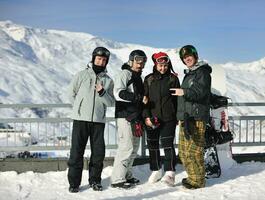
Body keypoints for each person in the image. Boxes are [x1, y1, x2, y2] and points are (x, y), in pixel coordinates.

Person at [67, 47, 115, 192]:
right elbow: (71, 94)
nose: (101, 62)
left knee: (98, 153)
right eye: (99, 59)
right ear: (93, 58)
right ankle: (74, 184)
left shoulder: (108, 80)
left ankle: (95, 180)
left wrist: (102, 92)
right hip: (80, 120)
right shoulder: (81, 75)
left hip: (98, 122)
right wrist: (80, 109)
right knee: (76, 152)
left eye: (104, 60)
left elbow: (111, 102)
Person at [170, 45, 212, 189]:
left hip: (197, 117)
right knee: (183, 151)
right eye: (184, 57)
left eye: (189, 56)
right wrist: (179, 116)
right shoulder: (190, 74)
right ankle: (193, 177)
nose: (187, 59)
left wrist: (183, 92)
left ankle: (198, 180)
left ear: (195, 56)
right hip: (186, 118)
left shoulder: (203, 73)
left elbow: (200, 92)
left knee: (193, 151)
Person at [143, 52, 180, 186]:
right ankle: (156, 169)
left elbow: (177, 100)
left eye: (165, 65)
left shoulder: (173, 79)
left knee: (167, 144)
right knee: (153, 145)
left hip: (169, 118)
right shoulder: (148, 79)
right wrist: (146, 116)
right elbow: (144, 100)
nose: (163, 68)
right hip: (152, 118)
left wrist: (178, 116)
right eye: (160, 65)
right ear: (155, 64)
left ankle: (170, 172)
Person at [111, 49, 147, 189]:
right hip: (125, 116)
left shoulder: (138, 77)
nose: (140, 64)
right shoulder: (124, 74)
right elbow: (118, 93)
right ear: (131, 60)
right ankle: (117, 179)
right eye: (137, 60)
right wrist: (137, 98)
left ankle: (127, 175)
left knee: (133, 149)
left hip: (135, 117)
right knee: (126, 147)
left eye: (143, 61)